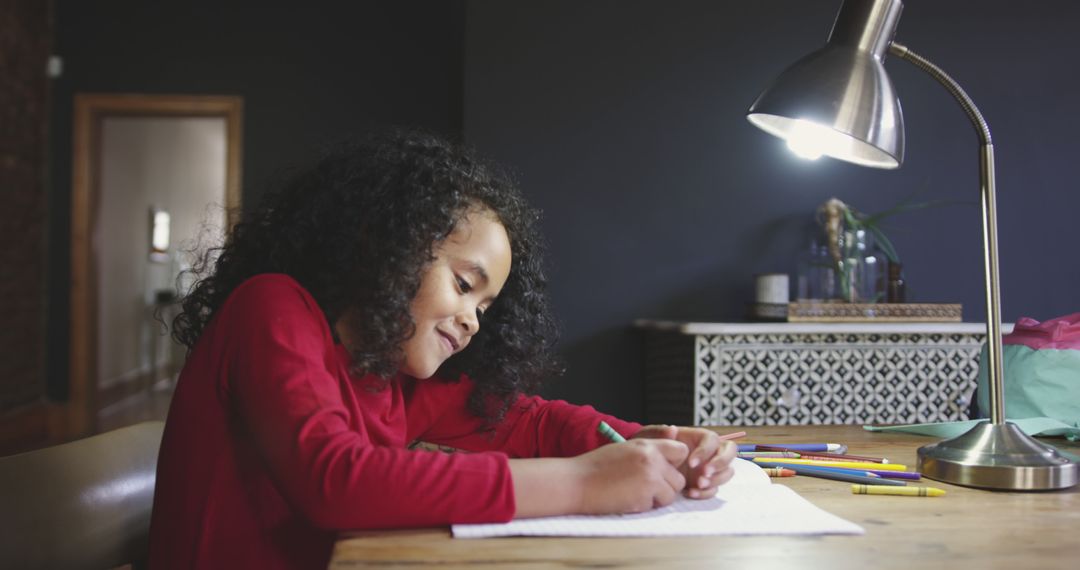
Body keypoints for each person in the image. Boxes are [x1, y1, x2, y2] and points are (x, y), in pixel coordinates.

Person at [148, 129, 737, 569]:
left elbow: (529, 422)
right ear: (387, 244)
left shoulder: (390, 374)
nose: (474, 323)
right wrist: (585, 482)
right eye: (463, 285)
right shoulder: (269, 308)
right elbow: (337, 481)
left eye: (485, 308)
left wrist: (651, 441)